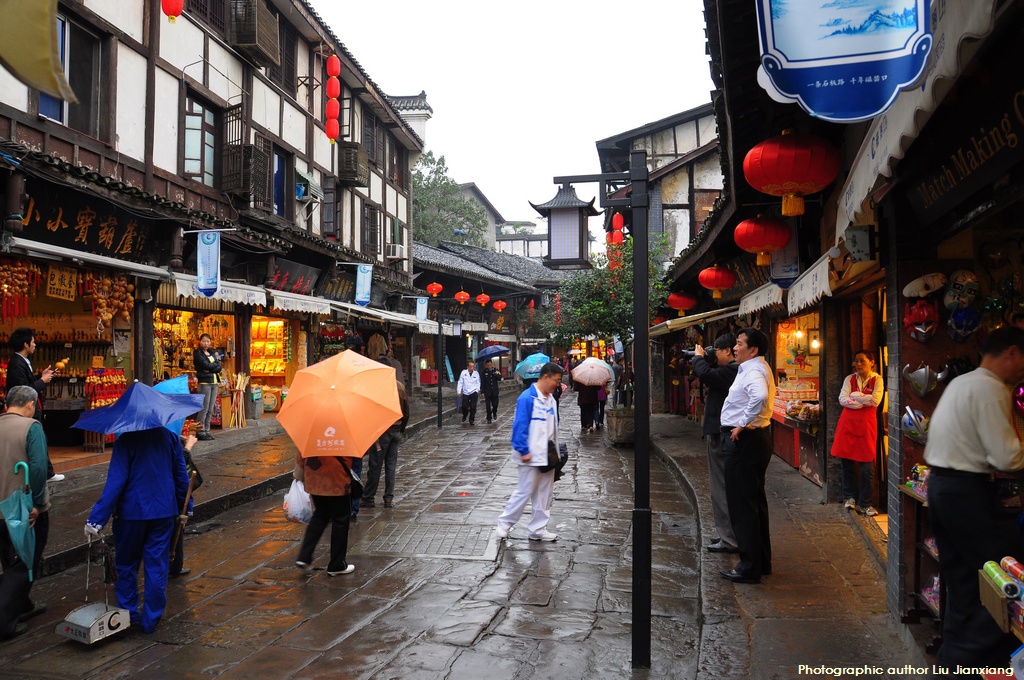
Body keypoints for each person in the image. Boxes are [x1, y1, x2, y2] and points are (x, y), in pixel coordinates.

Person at [924, 326, 1024, 670]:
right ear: (1011, 353)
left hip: (942, 488)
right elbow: (1007, 457)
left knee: (964, 580)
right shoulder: (991, 388)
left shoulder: (962, 383)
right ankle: (978, 663)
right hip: (965, 493)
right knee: (1001, 577)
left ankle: (953, 661)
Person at [85, 426, 191, 633]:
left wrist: (97, 518)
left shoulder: (125, 440)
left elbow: (116, 481)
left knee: (126, 565)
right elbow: (181, 475)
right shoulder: (169, 437)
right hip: (163, 511)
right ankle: (151, 619)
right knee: (157, 565)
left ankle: (128, 614)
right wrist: (186, 505)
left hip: (131, 513)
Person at [719, 327, 775, 584]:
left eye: (740, 343)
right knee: (754, 502)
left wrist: (741, 423)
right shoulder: (756, 368)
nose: (735, 348)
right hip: (754, 439)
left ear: (752, 349)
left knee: (743, 505)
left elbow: (760, 396)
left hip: (744, 440)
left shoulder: (753, 370)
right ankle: (760, 561)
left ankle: (749, 567)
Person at [0, 386, 50, 639]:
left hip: (1, 508)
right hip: (21, 507)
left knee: (9, 557)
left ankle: (22, 604)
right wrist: (38, 504)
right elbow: (40, 468)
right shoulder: (31, 427)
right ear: (30, 404)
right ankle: (5, 622)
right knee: (23, 561)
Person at [496, 362, 563, 541]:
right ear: (545, 377)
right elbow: (519, 426)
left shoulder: (551, 399)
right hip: (530, 455)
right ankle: (504, 523)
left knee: (544, 494)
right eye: (556, 380)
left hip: (548, 455)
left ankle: (538, 529)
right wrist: (523, 449)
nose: (558, 384)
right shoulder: (527, 398)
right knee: (524, 492)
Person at [691, 333, 740, 554]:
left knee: (721, 488)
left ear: (727, 351)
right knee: (723, 487)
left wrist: (698, 358)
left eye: (717, 351)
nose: (715, 355)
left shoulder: (732, 370)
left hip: (722, 433)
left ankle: (729, 538)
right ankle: (726, 533)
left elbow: (705, 374)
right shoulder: (733, 370)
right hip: (722, 432)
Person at [829, 350, 884, 516]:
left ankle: (865, 503)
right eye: (856, 361)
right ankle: (849, 497)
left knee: (867, 466)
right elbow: (842, 399)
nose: (858, 364)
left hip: (867, 425)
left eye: (862, 361)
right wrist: (862, 400)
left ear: (872, 362)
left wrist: (854, 397)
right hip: (848, 424)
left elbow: (875, 400)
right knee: (847, 464)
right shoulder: (849, 379)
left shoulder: (878, 379)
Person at [5, 328, 61, 481]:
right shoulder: (16, 363)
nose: (35, 344)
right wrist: (42, 382)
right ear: (25, 344)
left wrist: (40, 377)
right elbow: (23, 390)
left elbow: (28, 383)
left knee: (40, 437)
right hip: (26, 409)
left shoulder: (23, 361)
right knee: (36, 439)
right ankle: (45, 474)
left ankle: (48, 473)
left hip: (31, 407)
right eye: (33, 342)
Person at [294, 451, 357, 577]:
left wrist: (298, 473)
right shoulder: (345, 433)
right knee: (340, 519)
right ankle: (337, 564)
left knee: (321, 514)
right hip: (338, 479)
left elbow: (302, 452)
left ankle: (304, 556)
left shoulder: (312, 432)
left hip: (315, 480)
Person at [362, 355, 410, 509]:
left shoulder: (376, 387)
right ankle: (388, 498)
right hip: (395, 431)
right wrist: (401, 429)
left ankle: (369, 497)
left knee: (375, 465)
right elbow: (406, 412)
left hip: (381, 432)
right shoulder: (400, 387)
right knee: (390, 466)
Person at [170, 432, 199, 578]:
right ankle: (174, 565)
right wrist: (187, 447)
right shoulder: (166, 438)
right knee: (176, 530)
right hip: (168, 499)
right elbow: (177, 463)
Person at [193, 334, 222, 441]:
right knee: (204, 408)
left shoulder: (212, 352)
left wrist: (211, 369)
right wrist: (213, 368)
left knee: (210, 408)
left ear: (210, 342)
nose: (206, 343)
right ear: (200, 342)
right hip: (204, 382)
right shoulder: (198, 354)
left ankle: (207, 430)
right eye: (204, 341)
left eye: (208, 341)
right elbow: (205, 365)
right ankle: (200, 430)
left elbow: (219, 366)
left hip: (214, 382)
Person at [456, 359, 481, 425]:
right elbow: (460, 382)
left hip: (473, 392)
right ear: (468, 367)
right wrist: (459, 391)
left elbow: (478, 382)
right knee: (464, 406)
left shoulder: (476, 373)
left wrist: (477, 390)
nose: (472, 368)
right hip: (466, 392)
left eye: (473, 366)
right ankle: (465, 415)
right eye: (471, 366)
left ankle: (471, 419)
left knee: (473, 407)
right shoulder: (463, 373)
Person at [481, 358, 502, 424]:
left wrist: (497, 374)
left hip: (494, 391)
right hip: (487, 391)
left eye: (490, 365)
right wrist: (482, 391)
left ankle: (494, 412)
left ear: (492, 364)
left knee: (495, 405)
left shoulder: (495, 370)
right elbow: (482, 382)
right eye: (488, 365)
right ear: (486, 365)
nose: (489, 366)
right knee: (487, 406)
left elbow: (499, 378)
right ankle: (489, 418)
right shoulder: (484, 372)